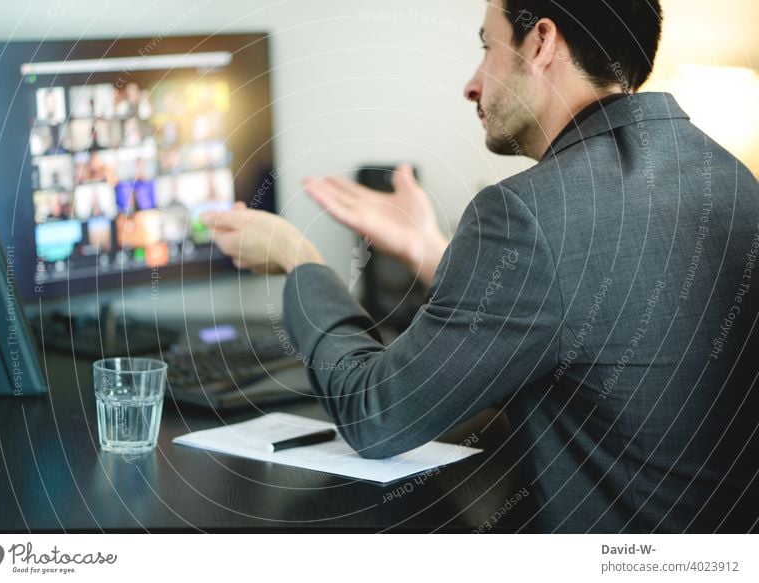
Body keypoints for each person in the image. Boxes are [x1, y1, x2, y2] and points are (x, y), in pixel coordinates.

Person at [199, 0, 759, 533]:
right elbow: (587, 326)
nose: (472, 83)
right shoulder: (731, 180)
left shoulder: (527, 212)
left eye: (487, 47)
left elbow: (377, 416)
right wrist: (426, 248)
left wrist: (300, 262)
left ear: (540, 42)